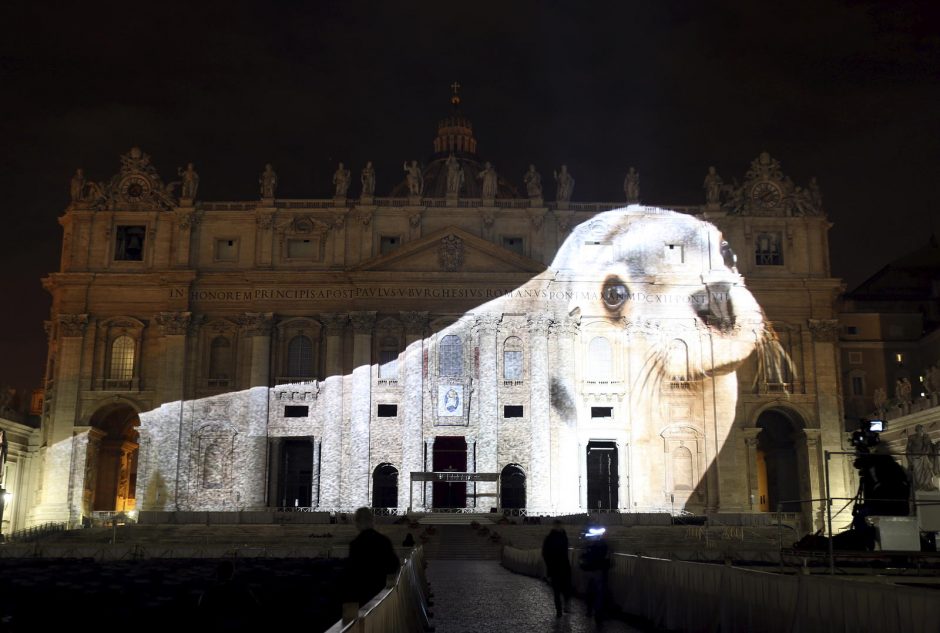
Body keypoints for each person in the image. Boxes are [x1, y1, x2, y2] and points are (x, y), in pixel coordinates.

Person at [343, 507, 401, 605]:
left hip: (363, 593)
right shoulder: (384, 540)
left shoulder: (355, 544)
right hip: (382, 592)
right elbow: (394, 565)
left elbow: (352, 572)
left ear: (357, 523)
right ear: (372, 520)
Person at [196, 559, 261, 631]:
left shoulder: (210, 592)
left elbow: (201, 611)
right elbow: (255, 607)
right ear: (232, 573)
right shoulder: (243, 590)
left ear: (218, 573)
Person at [578, 526, 610, 623]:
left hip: (590, 571)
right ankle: (598, 613)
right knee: (598, 594)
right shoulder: (604, 546)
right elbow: (606, 560)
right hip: (598, 572)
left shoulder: (589, 546)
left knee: (590, 592)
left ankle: (590, 610)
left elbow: (583, 558)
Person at [541, 520, 571, 617]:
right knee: (559, 590)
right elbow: (545, 553)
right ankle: (559, 609)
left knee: (561, 589)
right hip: (558, 567)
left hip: (560, 567)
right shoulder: (555, 537)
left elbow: (545, 553)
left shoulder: (560, 536)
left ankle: (561, 608)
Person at [907, 424, 937, 491]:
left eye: (921, 429)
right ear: (916, 430)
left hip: (924, 457)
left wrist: (925, 452)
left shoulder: (926, 437)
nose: (920, 431)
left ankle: (926, 485)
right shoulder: (912, 437)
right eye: (919, 429)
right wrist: (910, 459)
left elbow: (928, 447)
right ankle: (919, 486)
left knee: (927, 471)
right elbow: (908, 449)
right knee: (917, 473)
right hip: (915, 457)